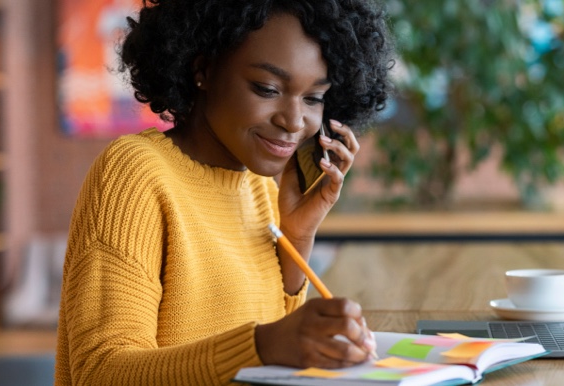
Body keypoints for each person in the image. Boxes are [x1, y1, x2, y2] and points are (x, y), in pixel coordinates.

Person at [54, 0, 394, 384]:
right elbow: (100, 373)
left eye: (313, 98)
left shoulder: (261, 186)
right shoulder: (135, 174)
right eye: (267, 89)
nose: (294, 121)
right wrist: (261, 346)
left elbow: (270, 362)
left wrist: (297, 238)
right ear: (203, 69)